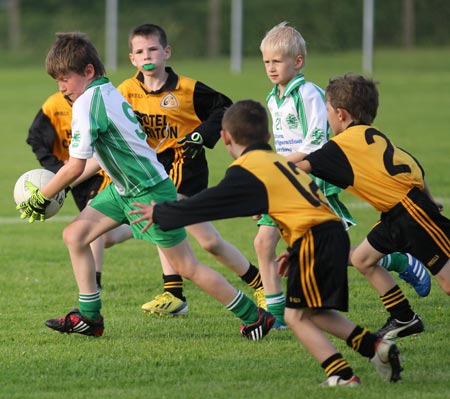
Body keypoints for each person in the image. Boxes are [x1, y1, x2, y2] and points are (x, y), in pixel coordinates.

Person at [17, 32, 274, 340]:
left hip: (151, 194)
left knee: (187, 266)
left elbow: (73, 166)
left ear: (88, 71)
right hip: (123, 191)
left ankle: (253, 315)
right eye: (56, 80)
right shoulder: (108, 92)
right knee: (75, 235)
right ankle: (89, 316)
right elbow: (93, 162)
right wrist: (56, 189)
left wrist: (41, 197)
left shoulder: (88, 104)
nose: (60, 88)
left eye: (64, 79)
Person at [129, 100, 403, 386]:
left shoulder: (248, 168)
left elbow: (211, 203)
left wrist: (160, 212)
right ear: (268, 137)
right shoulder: (278, 161)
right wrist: (294, 250)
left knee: (296, 316)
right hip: (326, 234)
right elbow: (299, 205)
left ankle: (342, 375)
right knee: (314, 313)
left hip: (314, 238)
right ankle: (374, 347)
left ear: (225, 138)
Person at [255, 22, 430, 328]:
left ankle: (398, 260)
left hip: (309, 179)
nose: (271, 67)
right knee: (266, 242)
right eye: (267, 61)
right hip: (286, 178)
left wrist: (281, 166)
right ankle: (278, 314)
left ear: (297, 62)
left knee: (329, 254)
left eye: (277, 61)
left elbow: (316, 143)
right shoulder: (273, 97)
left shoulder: (308, 94)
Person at [116, 23, 265, 316]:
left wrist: (201, 134)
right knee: (187, 233)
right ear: (132, 58)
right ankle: (180, 293)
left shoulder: (188, 89)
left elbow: (224, 108)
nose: (147, 56)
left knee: (185, 228)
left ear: (166, 52)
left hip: (188, 169)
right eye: (140, 51)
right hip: (154, 172)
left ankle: (251, 284)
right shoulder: (126, 91)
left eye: (153, 49)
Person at [297, 73, 450, 338]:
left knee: (447, 281)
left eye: (327, 110)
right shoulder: (373, 136)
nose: (326, 116)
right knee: (362, 259)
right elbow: (413, 164)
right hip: (395, 214)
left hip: (411, 214)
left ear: (341, 114)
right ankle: (404, 319)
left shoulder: (340, 146)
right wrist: (431, 197)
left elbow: (298, 169)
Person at [26, 91, 115, 290]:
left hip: (98, 172)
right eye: (60, 80)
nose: (64, 85)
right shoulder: (53, 105)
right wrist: (56, 168)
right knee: (105, 236)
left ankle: (96, 280)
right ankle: (138, 224)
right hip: (71, 174)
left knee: (90, 214)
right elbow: (35, 138)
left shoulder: (96, 103)